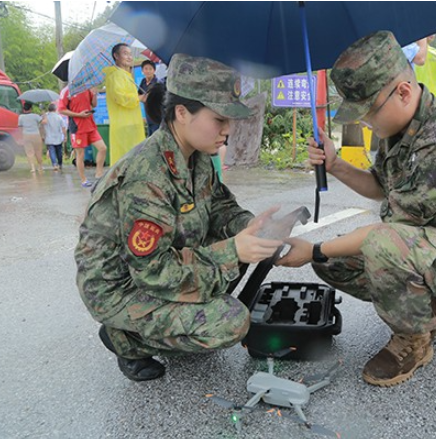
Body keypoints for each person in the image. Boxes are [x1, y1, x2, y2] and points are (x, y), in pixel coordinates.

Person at [277, 31, 436, 387]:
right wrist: (336, 163)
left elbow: (386, 235)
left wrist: (312, 248)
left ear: (403, 91)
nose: (364, 123)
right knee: (335, 262)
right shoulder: (402, 125)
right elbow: (381, 187)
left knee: (373, 249)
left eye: (368, 113)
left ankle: (414, 342)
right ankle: (434, 308)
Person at [75, 54, 283, 382]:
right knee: (229, 321)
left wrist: (251, 228)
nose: (227, 130)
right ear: (182, 113)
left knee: (240, 254)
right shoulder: (147, 175)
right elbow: (152, 271)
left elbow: (220, 209)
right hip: (121, 286)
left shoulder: (197, 157)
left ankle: (172, 321)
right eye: (219, 119)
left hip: (159, 264)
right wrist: (232, 251)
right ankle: (125, 338)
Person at [103, 43, 146, 164]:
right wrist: (140, 98)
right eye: (125, 54)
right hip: (124, 126)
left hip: (132, 124)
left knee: (135, 160)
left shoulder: (126, 75)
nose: (129, 57)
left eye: (130, 54)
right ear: (116, 56)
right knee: (126, 161)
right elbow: (119, 97)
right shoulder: (115, 74)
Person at [58, 87, 108, 187]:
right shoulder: (67, 91)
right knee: (80, 154)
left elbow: (94, 104)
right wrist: (78, 115)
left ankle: (99, 174)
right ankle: (83, 180)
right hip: (77, 127)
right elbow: (61, 110)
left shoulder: (86, 88)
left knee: (103, 148)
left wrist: (94, 94)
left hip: (90, 125)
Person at [18, 102, 44, 174]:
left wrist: (20, 137)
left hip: (26, 135)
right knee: (38, 151)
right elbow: (44, 122)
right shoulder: (35, 116)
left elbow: (20, 127)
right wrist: (43, 112)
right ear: (31, 109)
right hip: (36, 135)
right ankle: (40, 167)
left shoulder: (21, 117)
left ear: (24, 109)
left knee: (29, 152)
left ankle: (33, 168)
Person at [138, 59, 160, 136]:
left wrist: (147, 98)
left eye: (150, 69)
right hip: (148, 115)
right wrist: (142, 97)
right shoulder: (143, 81)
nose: (148, 71)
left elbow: (155, 98)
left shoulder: (157, 83)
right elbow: (138, 96)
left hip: (157, 116)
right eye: (146, 69)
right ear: (142, 71)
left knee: (156, 136)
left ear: (154, 70)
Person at [42, 103, 66, 171]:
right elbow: (63, 127)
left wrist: (42, 135)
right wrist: (65, 136)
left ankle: (54, 164)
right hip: (58, 137)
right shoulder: (59, 117)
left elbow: (42, 126)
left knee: (51, 151)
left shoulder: (45, 116)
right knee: (59, 152)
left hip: (49, 138)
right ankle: (60, 164)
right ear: (55, 109)